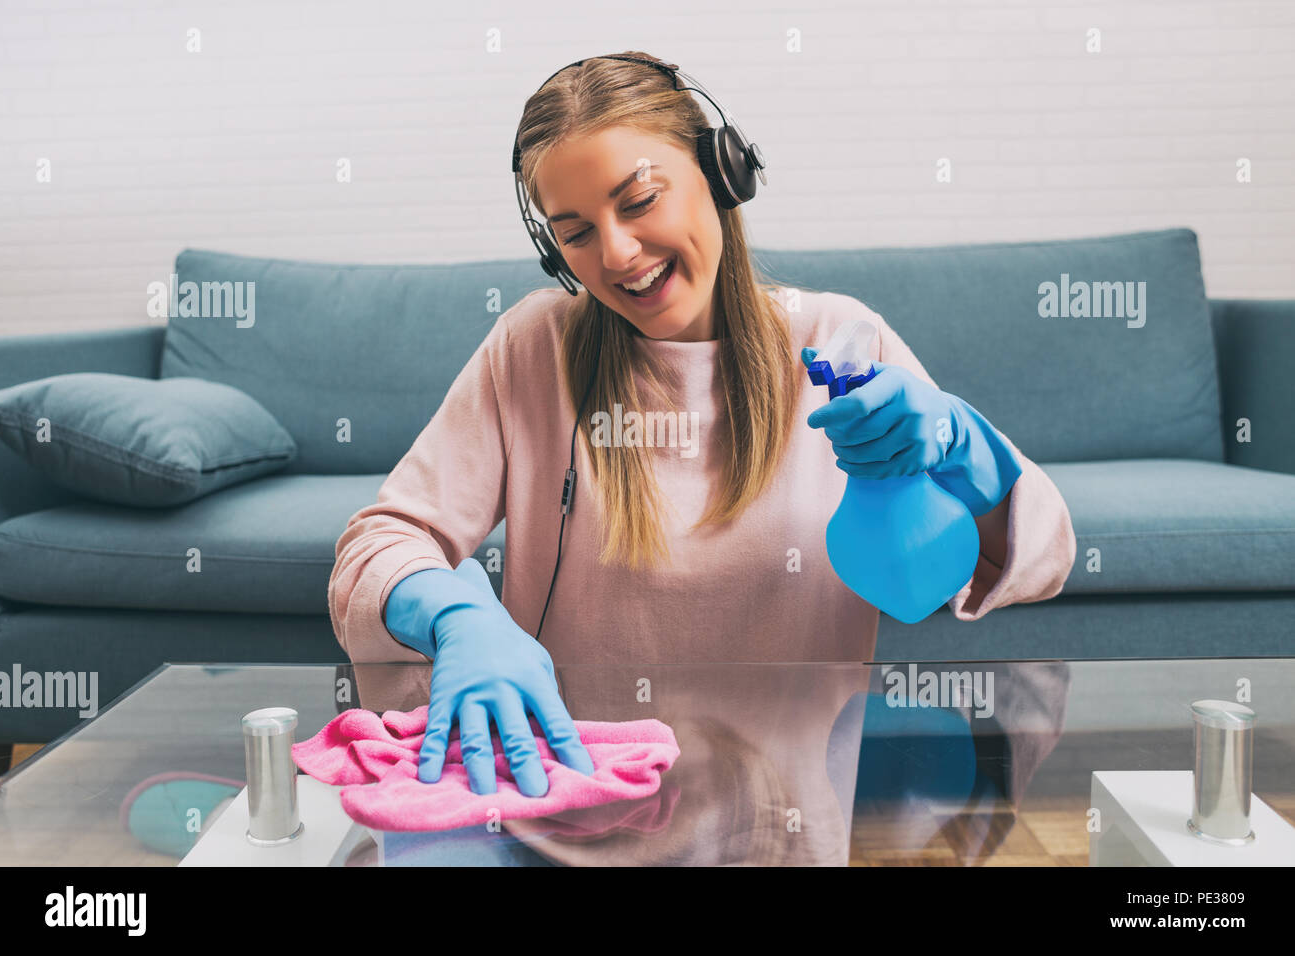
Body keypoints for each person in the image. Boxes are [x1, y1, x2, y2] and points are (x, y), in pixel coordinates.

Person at [327, 51, 1077, 810]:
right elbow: (378, 544)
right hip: (574, 810)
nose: (616, 253)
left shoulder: (840, 342)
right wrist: (457, 615)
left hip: (784, 820)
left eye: (641, 199)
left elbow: (1043, 554)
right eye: (577, 231)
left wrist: (959, 444)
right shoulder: (533, 349)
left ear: (721, 176)